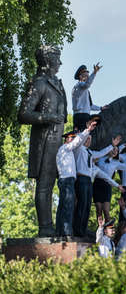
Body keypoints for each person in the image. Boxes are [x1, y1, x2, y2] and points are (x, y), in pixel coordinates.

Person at [18, 45, 68, 236]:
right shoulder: (39, 83)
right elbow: (23, 114)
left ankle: (64, 225)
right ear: (47, 61)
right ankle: (45, 227)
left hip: (59, 141)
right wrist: (47, 117)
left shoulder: (56, 83)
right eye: (57, 58)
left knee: (64, 183)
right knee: (45, 184)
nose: (60, 62)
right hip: (45, 141)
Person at [73, 134, 124, 237]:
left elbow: (105, 175)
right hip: (81, 179)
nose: (88, 141)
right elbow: (101, 155)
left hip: (89, 182)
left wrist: (117, 185)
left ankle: (82, 230)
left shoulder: (91, 154)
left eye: (90, 139)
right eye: (86, 139)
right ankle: (76, 230)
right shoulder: (79, 149)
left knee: (87, 207)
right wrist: (87, 131)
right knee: (82, 206)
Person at [55, 121, 96, 236]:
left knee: (65, 205)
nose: (74, 140)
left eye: (74, 137)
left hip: (69, 180)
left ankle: (60, 230)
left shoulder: (69, 151)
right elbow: (77, 143)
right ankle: (66, 231)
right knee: (67, 205)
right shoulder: (65, 148)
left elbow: (78, 143)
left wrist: (83, 135)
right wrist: (87, 131)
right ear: (67, 139)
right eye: (72, 137)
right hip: (66, 180)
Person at [94, 145, 126, 222]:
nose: (114, 151)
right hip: (97, 184)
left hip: (107, 185)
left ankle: (108, 229)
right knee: (98, 210)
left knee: (106, 210)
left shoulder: (116, 163)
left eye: (116, 151)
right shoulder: (100, 159)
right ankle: (100, 230)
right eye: (113, 150)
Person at [72, 63, 108, 131]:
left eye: (87, 72)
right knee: (80, 137)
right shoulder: (79, 85)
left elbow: (90, 106)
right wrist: (94, 72)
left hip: (85, 116)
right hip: (80, 116)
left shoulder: (86, 91)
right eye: (85, 72)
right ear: (80, 76)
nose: (87, 73)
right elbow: (87, 84)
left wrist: (100, 108)